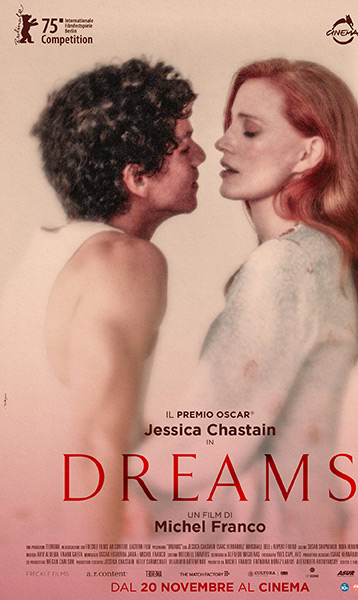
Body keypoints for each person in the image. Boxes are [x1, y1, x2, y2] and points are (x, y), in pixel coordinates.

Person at [144, 58, 358, 544]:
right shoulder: (328, 257)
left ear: (308, 154)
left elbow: (200, 448)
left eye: (250, 130)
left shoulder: (283, 265)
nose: (222, 143)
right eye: (229, 125)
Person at [0, 57, 205, 549]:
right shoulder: (124, 259)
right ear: (137, 178)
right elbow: (97, 441)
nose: (200, 155)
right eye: (184, 145)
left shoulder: (49, 255)